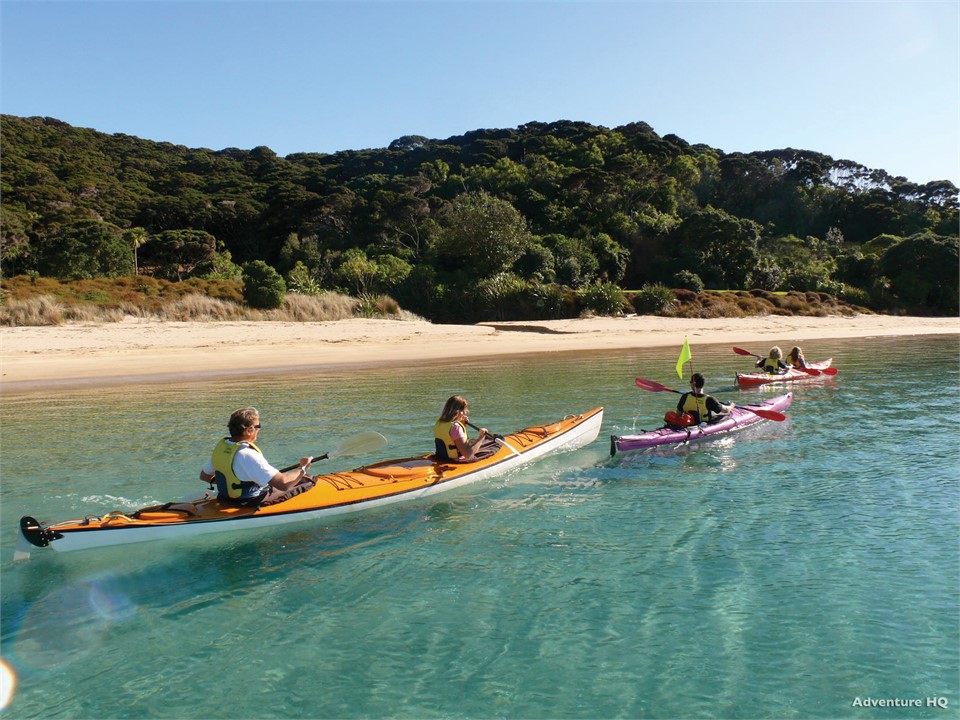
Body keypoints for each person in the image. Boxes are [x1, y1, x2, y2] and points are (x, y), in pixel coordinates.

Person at [200, 407, 315, 506]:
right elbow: (283, 484)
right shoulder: (248, 454)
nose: (259, 429)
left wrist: (227, 483)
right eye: (258, 426)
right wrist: (303, 468)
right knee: (308, 480)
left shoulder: (222, 449)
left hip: (225, 498)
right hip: (249, 502)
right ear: (250, 430)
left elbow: (204, 476)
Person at [434, 395, 489, 462]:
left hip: (441, 457)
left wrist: (463, 424)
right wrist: (481, 437)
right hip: (454, 461)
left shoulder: (439, 422)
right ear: (457, 411)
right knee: (490, 445)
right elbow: (467, 454)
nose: (465, 413)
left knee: (475, 442)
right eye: (463, 410)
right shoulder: (456, 427)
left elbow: (454, 438)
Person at [669, 373, 734, 426]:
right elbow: (726, 410)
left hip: (688, 423)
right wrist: (731, 406)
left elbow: (678, 414)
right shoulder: (709, 399)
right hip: (703, 424)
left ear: (693, 384)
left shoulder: (685, 396)